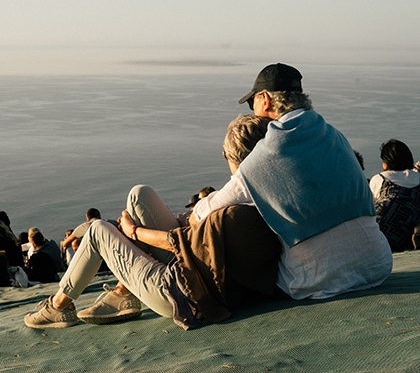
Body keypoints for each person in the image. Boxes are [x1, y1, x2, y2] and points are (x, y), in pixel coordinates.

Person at [24, 115, 280, 330]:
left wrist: (132, 231)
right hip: (212, 277)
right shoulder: (274, 189)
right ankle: (123, 294)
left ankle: (58, 306)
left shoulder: (228, 202)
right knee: (140, 195)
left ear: (231, 156)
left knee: (98, 230)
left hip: (181, 293)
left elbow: (179, 243)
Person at [192, 62, 392, 300]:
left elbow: (207, 212)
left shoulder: (265, 155)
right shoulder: (335, 135)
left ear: (265, 100)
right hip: (378, 264)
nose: (252, 111)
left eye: (252, 102)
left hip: (317, 281)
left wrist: (195, 210)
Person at [369, 139, 420, 252]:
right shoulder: (418, 178)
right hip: (409, 238)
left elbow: (369, 208)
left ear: (386, 161)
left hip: (380, 239)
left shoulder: (380, 178)